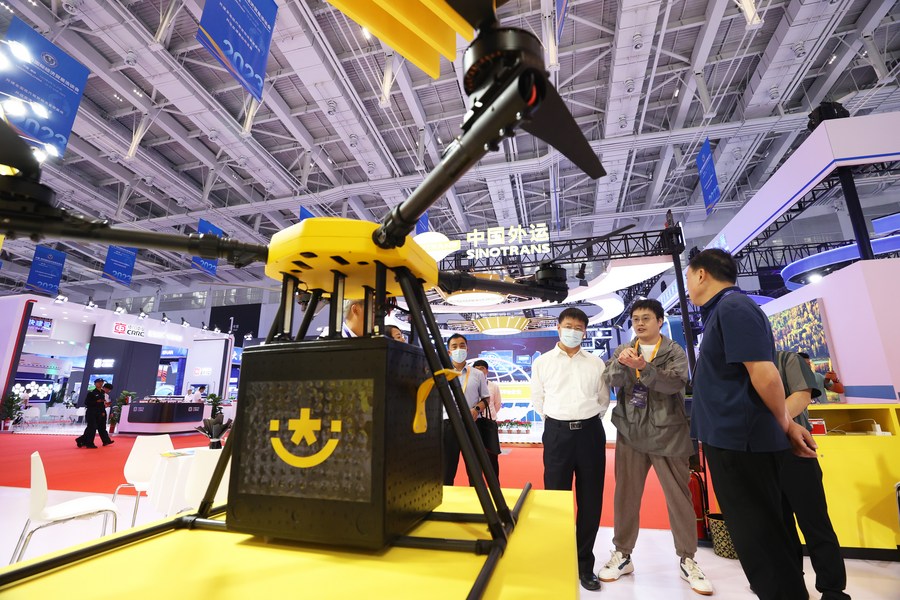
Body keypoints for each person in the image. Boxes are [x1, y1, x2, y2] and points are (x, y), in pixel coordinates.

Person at [686, 248, 816, 600]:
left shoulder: (733, 308)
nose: (689, 284)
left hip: (741, 443)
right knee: (759, 534)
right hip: (733, 440)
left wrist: (786, 423)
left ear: (701, 274)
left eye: (689, 276)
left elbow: (764, 373)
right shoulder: (723, 311)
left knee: (760, 535)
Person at [599, 299, 714, 595]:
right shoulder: (624, 350)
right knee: (626, 496)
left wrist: (644, 368)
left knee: (679, 497)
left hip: (668, 434)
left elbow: (675, 384)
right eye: (636, 319)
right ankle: (623, 554)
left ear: (660, 321)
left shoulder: (674, 351)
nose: (639, 323)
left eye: (646, 318)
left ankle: (688, 559)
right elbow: (609, 379)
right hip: (630, 432)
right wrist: (622, 363)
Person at [531, 307, 609, 592]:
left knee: (591, 500)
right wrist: (558, 422)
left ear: (585, 331)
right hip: (557, 435)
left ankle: (584, 564)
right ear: (558, 327)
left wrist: (584, 420)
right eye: (568, 326)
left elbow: (603, 400)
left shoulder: (596, 363)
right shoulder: (542, 362)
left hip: (590, 433)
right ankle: (558, 560)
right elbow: (538, 399)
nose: (573, 331)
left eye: (578, 327)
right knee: (556, 499)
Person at [776, 351, 850, 600]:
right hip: (762, 455)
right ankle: (790, 582)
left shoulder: (787, 360)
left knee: (815, 522)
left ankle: (832, 588)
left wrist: (768, 421)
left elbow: (802, 396)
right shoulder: (741, 367)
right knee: (780, 526)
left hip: (796, 449)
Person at [442, 334, 491, 486]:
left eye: (462, 345)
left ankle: (478, 498)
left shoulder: (477, 374)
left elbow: (486, 398)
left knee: (474, 469)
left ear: (467, 349)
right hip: (448, 424)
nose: (459, 349)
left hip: (472, 423)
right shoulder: (442, 374)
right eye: (454, 346)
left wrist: (476, 409)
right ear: (449, 351)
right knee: (446, 469)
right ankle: (446, 499)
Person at [472, 359, 502, 478]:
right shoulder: (471, 385)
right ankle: (477, 483)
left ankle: (494, 484)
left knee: (492, 456)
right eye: (476, 368)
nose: (479, 371)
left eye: (482, 368)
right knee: (475, 457)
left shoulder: (493, 386)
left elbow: (497, 404)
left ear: (487, 371)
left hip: (489, 424)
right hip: (474, 423)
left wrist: (488, 418)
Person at [75, 378, 113, 448]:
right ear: (95, 384)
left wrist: (103, 411)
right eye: (98, 382)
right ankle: (89, 443)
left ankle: (81, 440)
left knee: (94, 428)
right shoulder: (91, 393)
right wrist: (96, 402)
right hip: (91, 412)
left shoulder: (102, 392)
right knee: (92, 428)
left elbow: (102, 403)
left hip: (99, 412)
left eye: (101, 382)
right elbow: (87, 402)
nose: (100, 384)